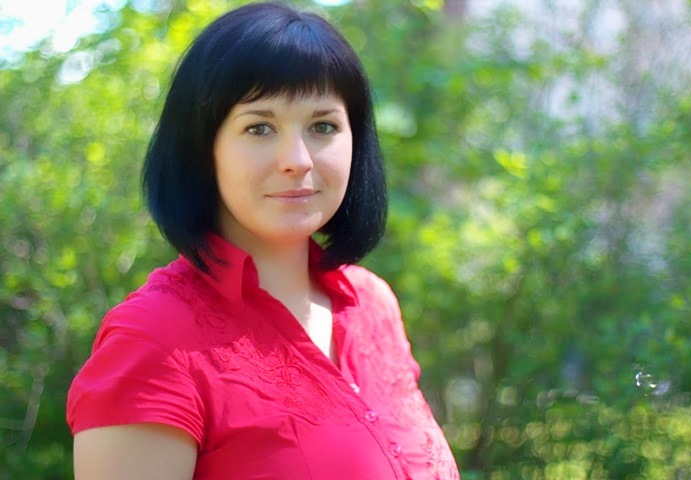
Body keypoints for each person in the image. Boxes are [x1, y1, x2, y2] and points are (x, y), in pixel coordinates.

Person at [66, 2, 459, 479]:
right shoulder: (152, 338)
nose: (298, 159)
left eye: (323, 126)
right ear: (201, 148)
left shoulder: (372, 303)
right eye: (259, 127)